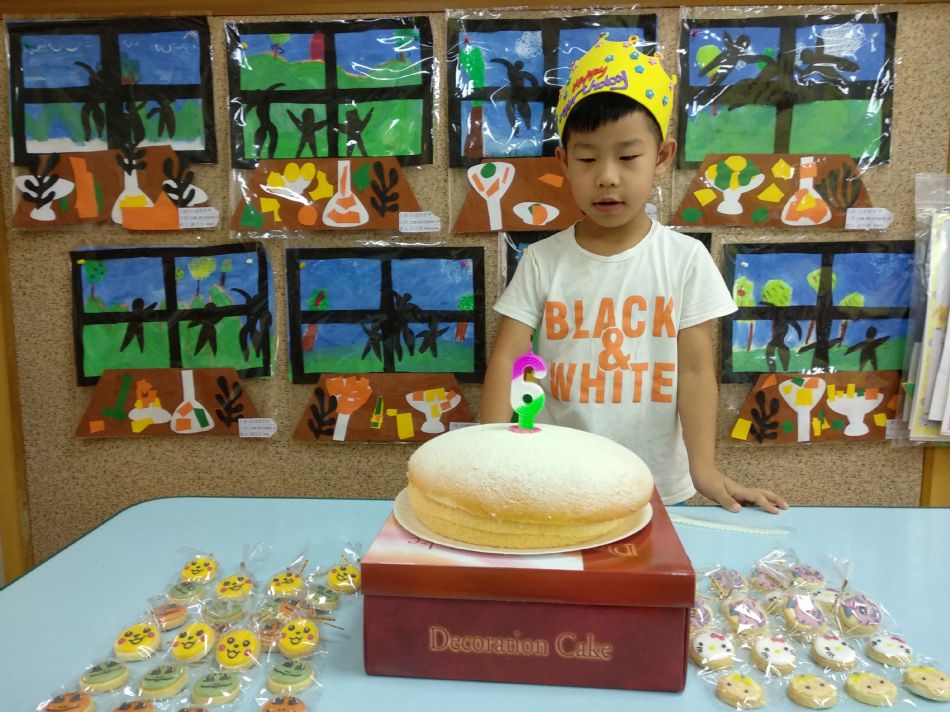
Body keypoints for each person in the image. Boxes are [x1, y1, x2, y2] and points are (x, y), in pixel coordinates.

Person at [482, 36, 787, 514]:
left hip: (656, 485)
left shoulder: (686, 259)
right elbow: (508, 359)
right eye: (587, 159)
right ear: (564, 163)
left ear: (662, 157)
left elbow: (696, 370)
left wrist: (705, 470)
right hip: (558, 477)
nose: (607, 176)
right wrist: (488, 457)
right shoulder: (542, 260)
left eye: (627, 157)